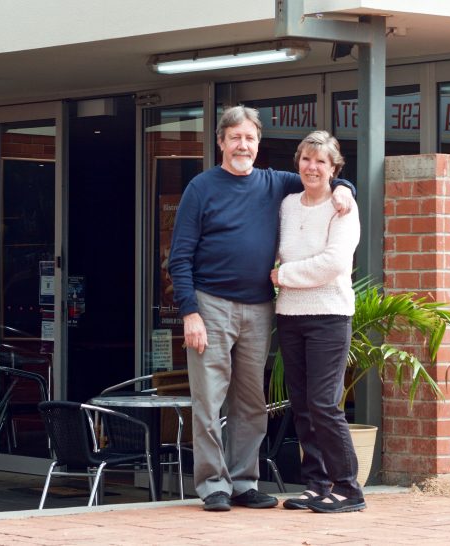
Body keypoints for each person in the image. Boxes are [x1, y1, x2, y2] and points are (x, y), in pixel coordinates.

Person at [168, 106, 356, 512]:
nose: (242, 145)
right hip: (210, 306)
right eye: (234, 137)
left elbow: (321, 176)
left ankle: (243, 481)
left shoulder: (275, 183)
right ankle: (213, 485)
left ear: (258, 144)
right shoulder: (201, 188)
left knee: (251, 401)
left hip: (259, 309)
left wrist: (346, 189)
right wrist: (189, 312)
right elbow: (179, 257)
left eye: (249, 138)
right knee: (209, 400)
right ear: (221, 142)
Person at [270, 130, 365, 513]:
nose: (312, 167)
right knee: (303, 405)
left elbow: (334, 263)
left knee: (325, 404)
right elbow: (275, 248)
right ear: (298, 163)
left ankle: (348, 489)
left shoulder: (343, 206)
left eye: (321, 161)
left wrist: (283, 275)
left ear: (334, 168)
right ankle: (317, 484)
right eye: (307, 159)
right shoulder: (287, 205)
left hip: (329, 315)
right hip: (290, 316)